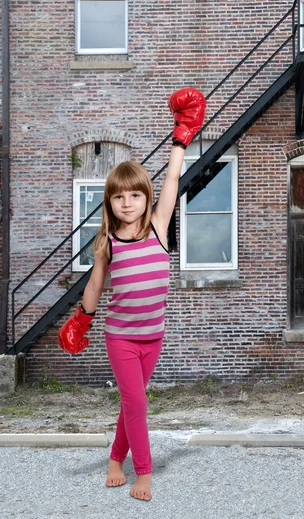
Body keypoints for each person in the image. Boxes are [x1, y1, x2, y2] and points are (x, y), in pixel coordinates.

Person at [58, 87, 206, 502]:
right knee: (137, 403)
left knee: (131, 403)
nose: (127, 202)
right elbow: (95, 285)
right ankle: (143, 472)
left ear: (146, 198)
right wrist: (81, 320)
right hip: (121, 337)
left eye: (135, 195)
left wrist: (182, 136)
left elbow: (173, 177)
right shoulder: (107, 241)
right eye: (119, 196)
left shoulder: (158, 227)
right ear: (110, 201)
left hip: (153, 336)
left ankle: (112, 459)